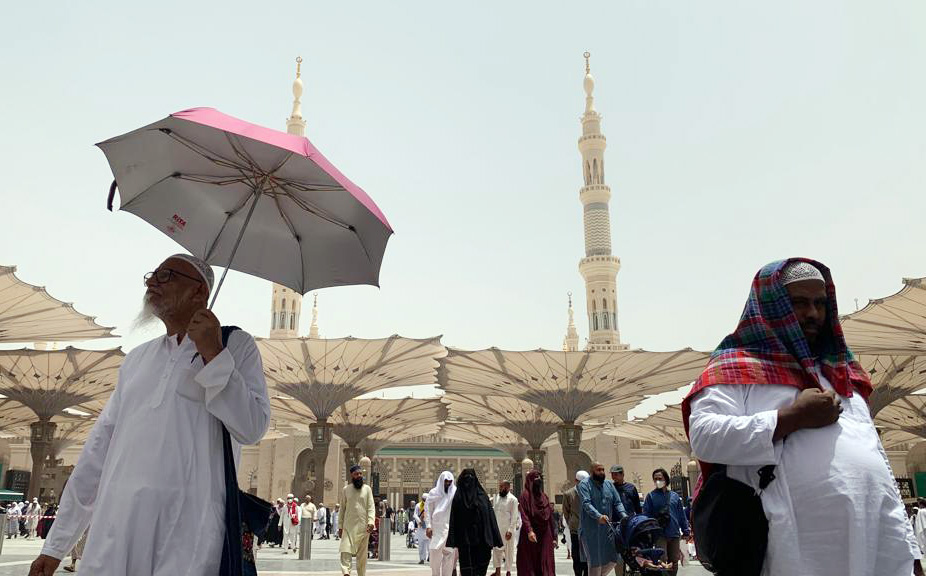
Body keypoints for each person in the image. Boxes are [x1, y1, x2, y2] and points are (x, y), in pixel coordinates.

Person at [30, 254, 270, 576]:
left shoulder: (235, 345)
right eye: (151, 275)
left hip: (187, 534)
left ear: (199, 292)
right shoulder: (138, 359)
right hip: (116, 529)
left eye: (166, 275)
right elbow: (97, 452)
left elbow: (252, 427)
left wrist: (213, 353)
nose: (152, 282)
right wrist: (56, 545)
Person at [685, 258, 923, 576]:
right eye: (798, 303)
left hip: (871, 547)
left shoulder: (841, 375)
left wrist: (907, 551)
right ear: (770, 307)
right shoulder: (735, 368)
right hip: (788, 547)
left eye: (819, 303)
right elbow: (704, 436)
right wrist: (790, 418)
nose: (812, 314)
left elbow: (877, 468)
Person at [448, 469, 503, 576]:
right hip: (465, 543)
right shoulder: (458, 498)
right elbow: (453, 520)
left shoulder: (482, 496)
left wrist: (494, 537)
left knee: (480, 571)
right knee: (467, 571)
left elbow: (490, 518)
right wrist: (453, 539)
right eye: (466, 477)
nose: (469, 480)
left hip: (482, 542)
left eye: (471, 477)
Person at [579, 462, 627, 576]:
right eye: (598, 470)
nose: (601, 472)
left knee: (614, 558)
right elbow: (586, 503)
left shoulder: (609, 485)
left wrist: (624, 516)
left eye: (603, 470)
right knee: (595, 562)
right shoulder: (584, 485)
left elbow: (617, 502)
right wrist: (598, 516)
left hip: (607, 530)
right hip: (591, 530)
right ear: (592, 471)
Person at [642, 469, 688, 576]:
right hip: (660, 534)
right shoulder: (651, 496)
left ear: (666, 479)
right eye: (655, 479)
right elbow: (646, 516)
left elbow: (681, 515)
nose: (657, 481)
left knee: (674, 561)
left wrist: (686, 530)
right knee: (661, 562)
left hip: (674, 534)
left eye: (660, 478)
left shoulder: (675, 496)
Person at [516, 470, 557, 576]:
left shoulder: (544, 497)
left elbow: (550, 518)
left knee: (546, 561)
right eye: (535, 477)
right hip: (531, 536)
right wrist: (529, 531)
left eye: (539, 477)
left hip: (545, 535)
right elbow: (524, 516)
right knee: (530, 563)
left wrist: (554, 537)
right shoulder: (525, 496)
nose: (538, 479)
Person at [338, 465, 375, 576]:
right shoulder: (346, 490)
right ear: (352, 476)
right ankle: (346, 572)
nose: (359, 476)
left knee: (362, 556)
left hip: (363, 527)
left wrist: (371, 522)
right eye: (356, 474)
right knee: (345, 550)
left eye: (360, 474)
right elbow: (342, 509)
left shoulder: (367, 489)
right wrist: (340, 526)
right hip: (348, 527)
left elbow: (371, 507)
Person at [426, 471, 457, 576]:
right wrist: (428, 526)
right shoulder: (433, 493)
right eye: (446, 482)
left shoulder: (454, 493)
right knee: (434, 552)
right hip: (437, 528)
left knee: (449, 554)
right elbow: (428, 510)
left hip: (450, 529)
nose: (448, 484)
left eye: (449, 482)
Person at [562, 471, 589, 576]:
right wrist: (572, 522)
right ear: (576, 481)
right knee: (577, 555)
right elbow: (566, 511)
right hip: (575, 530)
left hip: (588, 530)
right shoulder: (569, 494)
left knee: (588, 556)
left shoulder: (589, 492)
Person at [491, 480, 519, 576]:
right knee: (496, 551)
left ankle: (508, 572)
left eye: (501, 487)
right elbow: (494, 512)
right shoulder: (497, 497)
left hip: (507, 531)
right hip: (497, 530)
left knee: (508, 552)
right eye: (499, 486)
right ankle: (497, 571)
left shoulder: (513, 499)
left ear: (507, 487)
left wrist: (510, 530)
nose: (500, 488)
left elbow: (514, 516)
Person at [416, 493, 431, 564]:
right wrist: (419, 521)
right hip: (421, 528)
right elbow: (415, 515)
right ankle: (422, 559)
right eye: (424, 499)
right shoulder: (418, 505)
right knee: (421, 545)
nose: (425, 500)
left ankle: (430, 557)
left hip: (428, 527)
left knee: (430, 545)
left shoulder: (430, 505)